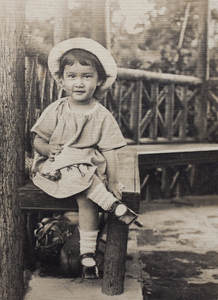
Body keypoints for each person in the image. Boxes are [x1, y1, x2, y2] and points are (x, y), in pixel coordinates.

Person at [30, 37, 139, 279]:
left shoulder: (101, 115)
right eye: (72, 76)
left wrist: (112, 182)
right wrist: (48, 150)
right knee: (79, 171)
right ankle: (112, 206)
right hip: (57, 167)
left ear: (99, 80)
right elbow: (37, 140)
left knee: (86, 195)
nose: (79, 83)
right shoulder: (57, 109)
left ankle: (87, 254)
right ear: (62, 80)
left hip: (87, 173)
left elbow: (110, 151)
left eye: (87, 76)